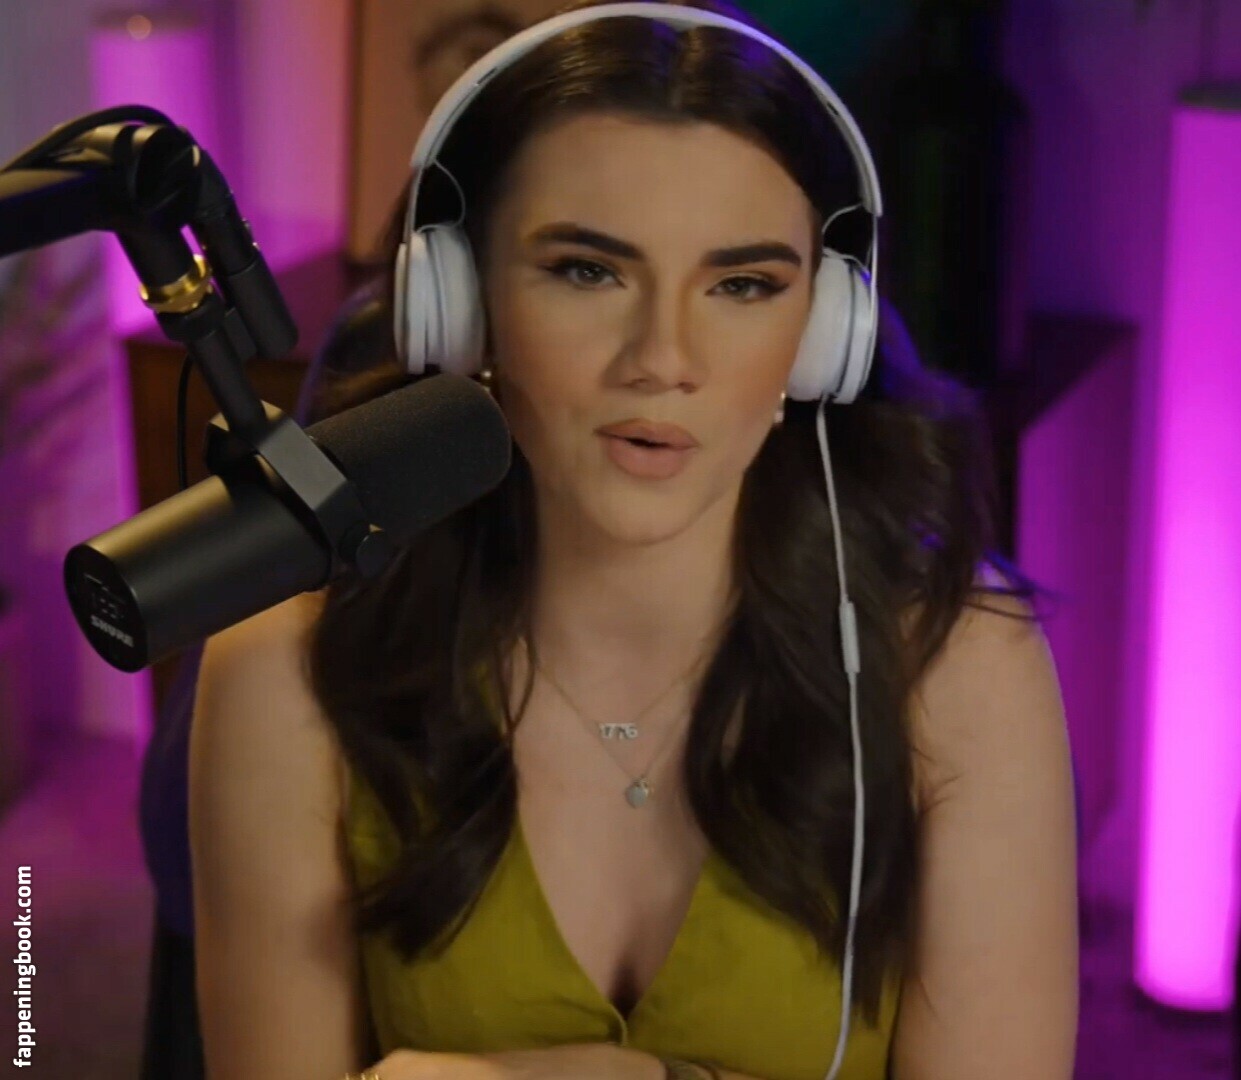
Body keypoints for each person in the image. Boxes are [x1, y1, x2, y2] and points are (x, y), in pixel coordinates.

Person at [188, 2, 1080, 1078]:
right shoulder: (282, 666)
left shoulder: (958, 664)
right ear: (459, 306)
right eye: (587, 270)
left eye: (742, 285)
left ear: (820, 336)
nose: (663, 358)